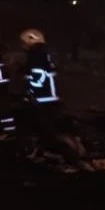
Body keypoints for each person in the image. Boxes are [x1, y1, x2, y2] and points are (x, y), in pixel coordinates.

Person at [18, 28, 85, 161]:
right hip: (50, 97)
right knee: (50, 125)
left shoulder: (35, 55)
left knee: (43, 127)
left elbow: (38, 77)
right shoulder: (44, 54)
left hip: (42, 98)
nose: (22, 46)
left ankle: (62, 150)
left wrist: (28, 85)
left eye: (23, 42)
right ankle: (67, 147)